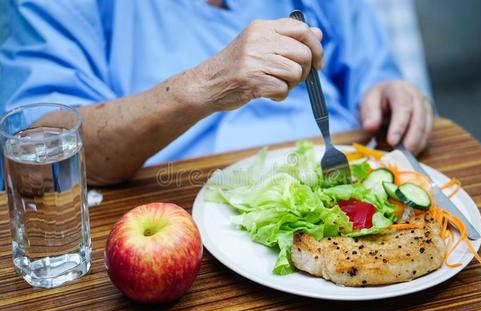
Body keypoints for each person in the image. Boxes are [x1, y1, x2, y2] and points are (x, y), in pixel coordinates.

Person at [0, 0, 433, 185]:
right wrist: (207, 84)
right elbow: (37, 160)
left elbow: (371, 70)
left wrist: (390, 92)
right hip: (178, 204)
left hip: (347, 173)